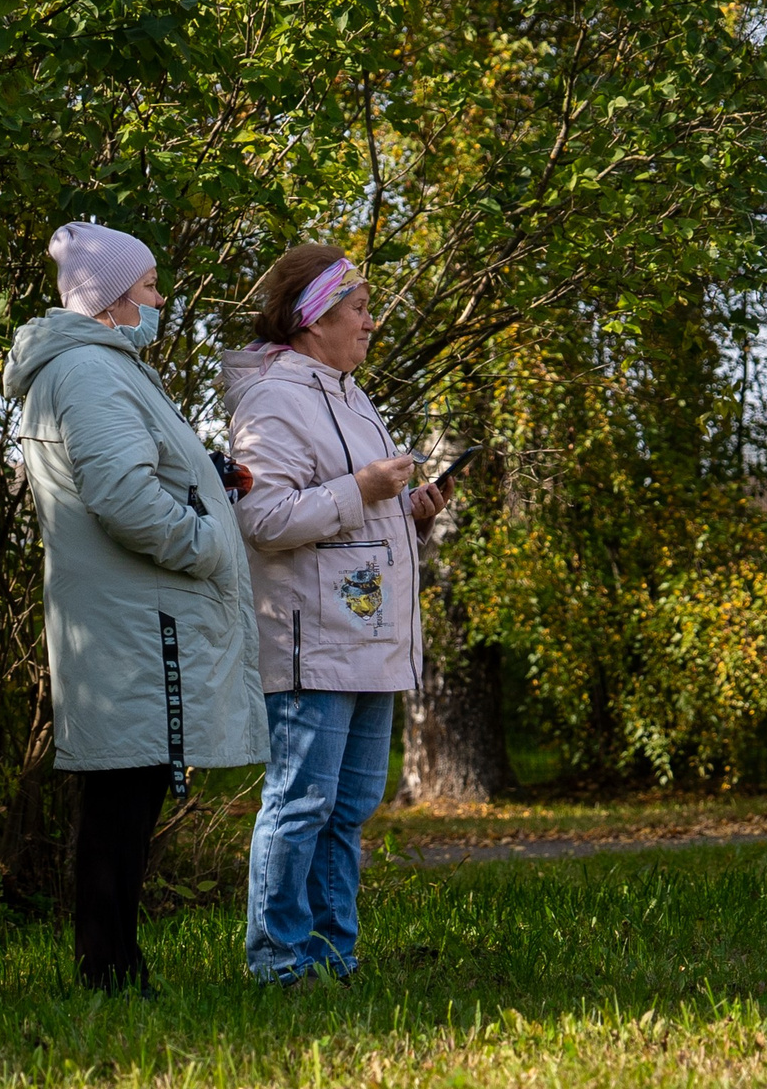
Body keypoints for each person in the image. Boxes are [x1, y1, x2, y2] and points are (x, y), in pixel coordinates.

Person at [1, 221, 266, 994]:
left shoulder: (103, 368)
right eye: (149, 286)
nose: (159, 299)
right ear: (114, 297)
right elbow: (123, 498)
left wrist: (209, 478)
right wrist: (209, 542)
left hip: (131, 615)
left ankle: (115, 967)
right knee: (120, 800)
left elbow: (134, 469)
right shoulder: (89, 371)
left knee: (127, 793)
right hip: (134, 621)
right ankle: (110, 972)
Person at [222, 244, 449, 985]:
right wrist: (364, 487)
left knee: (347, 808)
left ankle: (333, 958)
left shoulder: (349, 393)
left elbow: (352, 514)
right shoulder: (274, 398)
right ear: (314, 317)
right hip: (309, 641)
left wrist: (409, 512)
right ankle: (279, 964)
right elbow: (264, 519)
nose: (371, 322)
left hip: (365, 638)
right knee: (301, 804)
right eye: (358, 308)